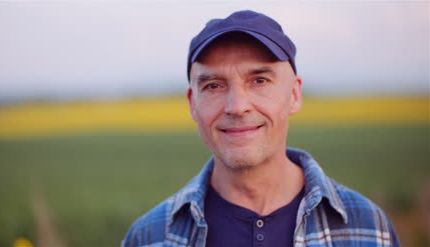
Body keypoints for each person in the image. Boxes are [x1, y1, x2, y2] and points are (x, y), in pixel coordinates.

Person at [122, 10, 399, 247]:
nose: (237, 106)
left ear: (293, 94)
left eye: (260, 80)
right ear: (193, 104)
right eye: (214, 86)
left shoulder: (370, 230)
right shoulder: (149, 237)